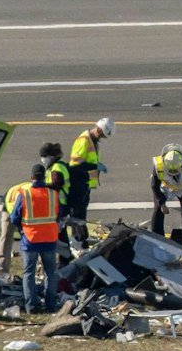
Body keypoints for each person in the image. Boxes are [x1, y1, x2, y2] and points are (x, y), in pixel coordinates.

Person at [11, 164, 64, 313]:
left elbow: (14, 217)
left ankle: (32, 306)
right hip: (49, 238)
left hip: (30, 239)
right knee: (50, 272)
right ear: (44, 176)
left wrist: (22, 229)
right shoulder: (53, 194)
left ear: (31, 177)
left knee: (29, 274)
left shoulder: (25, 194)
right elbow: (59, 213)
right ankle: (51, 304)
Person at [66, 117, 114, 248]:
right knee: (77, 213)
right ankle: (78, 240)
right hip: (78, 183)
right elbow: (75, 164)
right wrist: (95, 166)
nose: (103, 137)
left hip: (85, 183)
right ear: (99, 129)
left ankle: (81, 238)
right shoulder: (84, 141)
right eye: (103, 135)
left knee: (81, 212)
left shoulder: (92, 140)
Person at [150, 144, 182, 238]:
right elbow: (154, 186)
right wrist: (161, 203)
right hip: (165, 186)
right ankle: (157, 235)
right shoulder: (159, 166)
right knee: (158, 210)